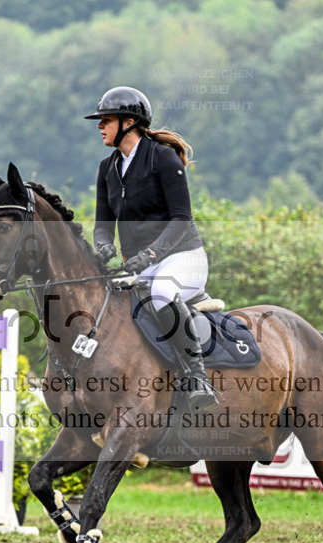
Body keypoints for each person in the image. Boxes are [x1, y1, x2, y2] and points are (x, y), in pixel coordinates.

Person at [85, 86, 218, 411]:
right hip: (140, 266)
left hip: (183, 257)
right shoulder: (107, 168)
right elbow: (103, 225)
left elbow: (180, 218)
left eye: (106, 120)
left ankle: (196, 377)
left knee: (159, 295)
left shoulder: (162, 157)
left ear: (128, 122)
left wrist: (152, 255)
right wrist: (102, 246)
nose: (100, 126)